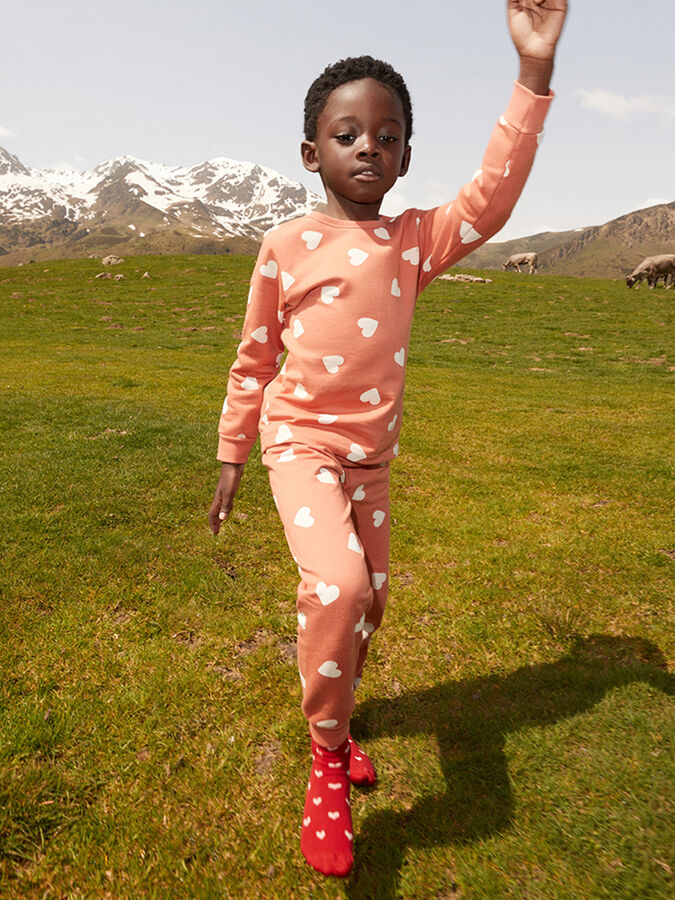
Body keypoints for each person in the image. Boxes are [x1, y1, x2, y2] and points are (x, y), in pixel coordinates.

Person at [208, 0, 568, 878]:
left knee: (369, 602)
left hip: (374, 461)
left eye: (387, 134)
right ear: (311, 153)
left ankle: (337, 715)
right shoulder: (283, 245)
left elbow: (492, 196)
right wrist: (233, 452)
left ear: (405, 153)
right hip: (300, 446)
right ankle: (326, 760)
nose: (368, 146)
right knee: (334, 586)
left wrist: (531, 74)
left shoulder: (414, 242)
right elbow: (253, 360)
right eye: (346, 133)